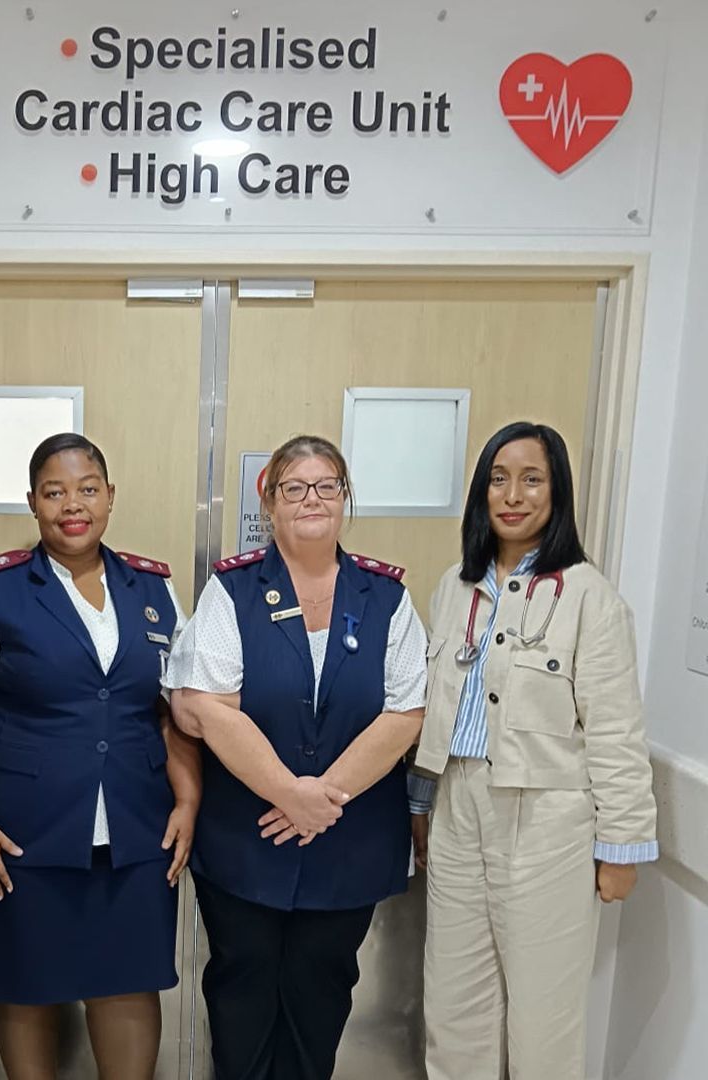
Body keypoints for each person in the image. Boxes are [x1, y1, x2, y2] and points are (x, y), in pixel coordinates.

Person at [0, 432, 201, 1080]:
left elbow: (177, 712)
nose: (72, 505)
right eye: (54, 492)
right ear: (33, 502)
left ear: (110, 497)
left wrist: (189, 799)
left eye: (87, 489)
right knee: (25, 985)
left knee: (129, 983)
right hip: (23, 832)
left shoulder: (156, 591)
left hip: (135, 829)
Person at [165, 433, 428, 1080]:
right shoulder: (232, 592)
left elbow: (405, 715)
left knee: (320, 1003)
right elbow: (208, 708)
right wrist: (290, 794)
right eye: (295, 487)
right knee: (240, 999)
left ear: (344, 497)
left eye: (326, 486)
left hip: (349, 844)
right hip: (247, 841)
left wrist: (319, 800)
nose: (312, 499)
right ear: (270, 501)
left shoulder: (386, 598)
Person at [409, 420, 658, 1080]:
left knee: (544, 1021)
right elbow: (436, 711)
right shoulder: (453, 587)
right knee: (454, 1009)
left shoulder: (589, 598)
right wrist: (420, 805)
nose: (512, 495)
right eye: (498, 479)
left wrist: (622, 849)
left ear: (558, 492)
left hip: (547, 821)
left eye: (531, 479)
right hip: (459, 807)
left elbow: (616, 734)